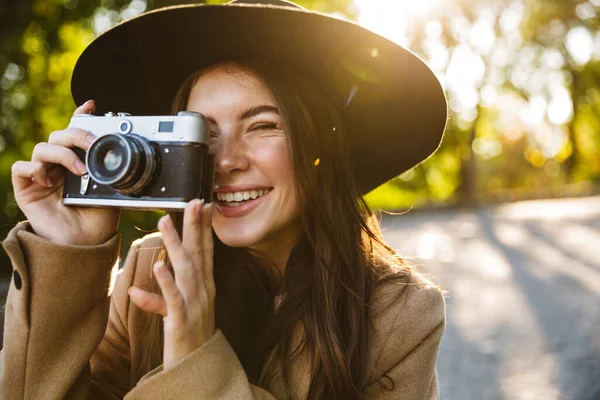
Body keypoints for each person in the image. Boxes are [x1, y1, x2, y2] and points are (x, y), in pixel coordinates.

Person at [1, 0, 448, 399]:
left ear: (318, 147)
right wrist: (71, 252)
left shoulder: (402, 313)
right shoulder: (152, 269)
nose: (227, 161)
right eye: (204, 135)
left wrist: (196, 363)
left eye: (262, 126)